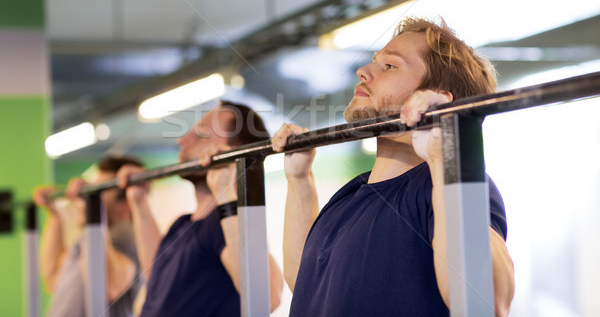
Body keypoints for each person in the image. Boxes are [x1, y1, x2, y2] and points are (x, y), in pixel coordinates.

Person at [272, 17, 515, 316]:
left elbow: (488, 300)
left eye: (390, 66)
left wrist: (445, 154)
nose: (363, 72)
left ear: (436, 97)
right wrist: (299, 180)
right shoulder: (351, 194)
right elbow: (306, 283)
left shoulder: (447, 183)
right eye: (375, 62)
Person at [117, 100, 284, 316]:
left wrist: (226, 183)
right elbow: (156, 274)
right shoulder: (184, 223)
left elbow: (268, 297)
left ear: (231, 151)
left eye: (201, 135)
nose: (182, 140)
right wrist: (138, 201)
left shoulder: (224, 225)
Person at [33, 155, 144, 317]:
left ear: (124, 204)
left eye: (99, 192)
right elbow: (51, 279)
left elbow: (108, 288)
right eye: (92, 189)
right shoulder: (87, 241)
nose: (85, 198)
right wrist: (55, 214)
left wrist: (94, 209)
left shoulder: (127, 241)